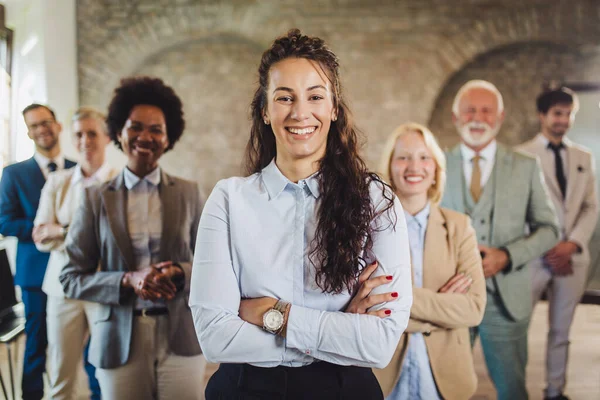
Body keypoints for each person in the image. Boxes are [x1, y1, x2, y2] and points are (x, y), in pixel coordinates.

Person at [190, 29, 412, 400]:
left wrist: (272, 315)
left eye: (315, 96)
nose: (300, 112)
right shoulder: (228, 200)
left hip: (344, 391)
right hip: (246, 390)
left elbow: (379, 344)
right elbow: (215, 337)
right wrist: (341, 331)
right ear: (264, 110)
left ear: (333, 108)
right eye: (284, 97)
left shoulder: (376, 199)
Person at [60, 77, 205, 400]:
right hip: (118, 339)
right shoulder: (95, 198)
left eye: (156, 129)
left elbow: (216, 266)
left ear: (169, 138)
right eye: (135, 127)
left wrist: (182, 272)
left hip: (181, 336)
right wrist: (127, 279)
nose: (145, 137)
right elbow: (70, 278)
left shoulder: (189, 193)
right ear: (119, 133)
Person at [441, 80, 559, 400]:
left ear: (500, 117)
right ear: (456, 118)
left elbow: (550, 228)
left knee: (512, 389)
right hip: (448, 296)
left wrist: (508, 256)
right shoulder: (434, 164)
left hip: (506, 301)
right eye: (469, 111)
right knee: (441, 387)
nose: (477, 118)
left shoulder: (525, 167)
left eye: (485, 111)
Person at [373, 123, 486, 400]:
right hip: (383, 377)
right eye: (403, 157)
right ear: (390, 166)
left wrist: (396, 303)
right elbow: (363, 310)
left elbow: (473, 308)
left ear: (436, 169)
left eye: (424, 157)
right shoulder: (368, 227)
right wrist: (443, 310)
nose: (415, 166)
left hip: (446, 379)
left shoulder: (460, 227)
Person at [516, 88, 599, 400]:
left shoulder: (584, 157)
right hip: (534, 257)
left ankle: (555, 391)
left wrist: (572, 244)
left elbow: (591, 207)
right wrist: (547, 245)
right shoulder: (521, 155)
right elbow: (518, 210)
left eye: (569, 114)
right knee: (518, 330)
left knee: (561, 331)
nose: (564, 120)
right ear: (543, 115)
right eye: (558, 113)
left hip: (573, 258)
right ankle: (515, 389)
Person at [33, 106, 118, 399]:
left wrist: (61, 230)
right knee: (60, 374)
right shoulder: (58, 182)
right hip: (61, 289)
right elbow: (41, 237)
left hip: (104, 288)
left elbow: (115, 240)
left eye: (92, 133)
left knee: (110, 371)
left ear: (107, 137)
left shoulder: (121, 181)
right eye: (79, 134)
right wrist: (79, 233)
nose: (85, 140)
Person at [0, 104, 76, 400]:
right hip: (34, 273)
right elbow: (5, 222)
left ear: (57, 125)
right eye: (34, 126)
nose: (41, 129)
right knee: (36, 346)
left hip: (74, 271)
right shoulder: (14, 173)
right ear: (29, 133)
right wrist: (46, 228)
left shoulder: (77, 169)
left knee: (86, 343)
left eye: (45, 122)